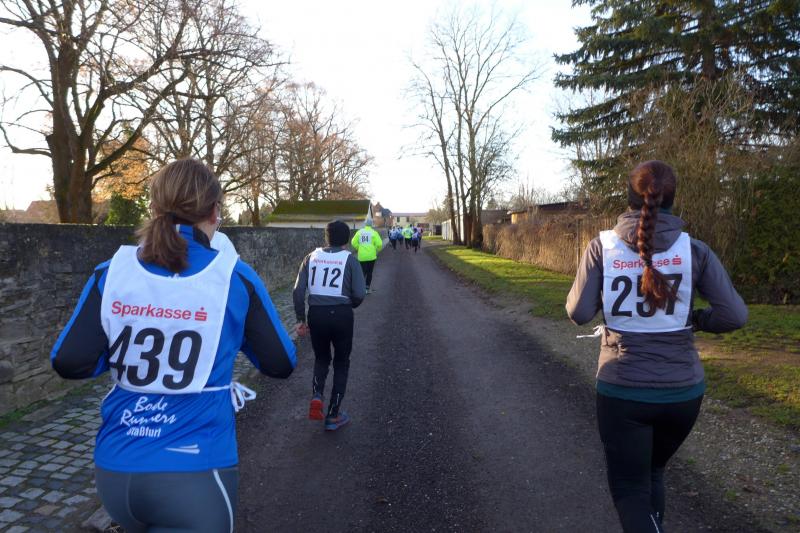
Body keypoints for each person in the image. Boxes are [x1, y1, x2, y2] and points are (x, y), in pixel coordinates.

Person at [51, 159, 297, 533]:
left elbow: (69, 361)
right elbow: (280, 363)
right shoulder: (233, 276)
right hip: (195, 473)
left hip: (116, 472)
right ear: (215, 212)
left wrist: (124, 349)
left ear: (154, 207)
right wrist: (232, 337)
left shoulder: (112, 271)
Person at [566, 160, 747, 533]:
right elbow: (734, 315)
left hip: (623, 391)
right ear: (672, 198)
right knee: (652, 474)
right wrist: (695, 319)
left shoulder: (602, 247)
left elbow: (578, 312)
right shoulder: (694, 250)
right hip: (683, 394)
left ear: (630, 197)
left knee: (630, 489)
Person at [293, 220, 366, 431]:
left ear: (326, 238)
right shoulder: (350, 260)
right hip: (342, 314)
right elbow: (359, 293)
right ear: (346, 239)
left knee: (322, 358)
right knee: (341, 362)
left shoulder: (311, 257)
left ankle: (317, 394)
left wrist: (301, 319)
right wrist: (350, 305)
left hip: (317, 314)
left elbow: (298, 291)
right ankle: (333, 414)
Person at [350, 219, 383, 293]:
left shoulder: (359, 232)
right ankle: (367, 289)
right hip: (371, 256)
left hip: (362, 256)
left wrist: (358, 247)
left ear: (365, 224)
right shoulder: (374, 232)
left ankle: (359, 288)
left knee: (362, 272)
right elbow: (379, 244)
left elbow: (353, 242)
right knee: (369, 273)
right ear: (371, 224)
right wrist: (376, 249)